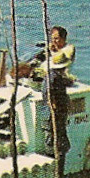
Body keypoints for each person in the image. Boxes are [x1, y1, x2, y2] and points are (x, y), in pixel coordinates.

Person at [32, 26, 75, 156]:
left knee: (56, 128)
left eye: (56, 39)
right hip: (49, 82)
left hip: (59, 83)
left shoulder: (68, 49)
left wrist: (52, 51)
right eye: (52, 39)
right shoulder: (50, 55)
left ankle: (58, 153)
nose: (54, 41)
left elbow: (61, 59)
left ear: (63, 39)